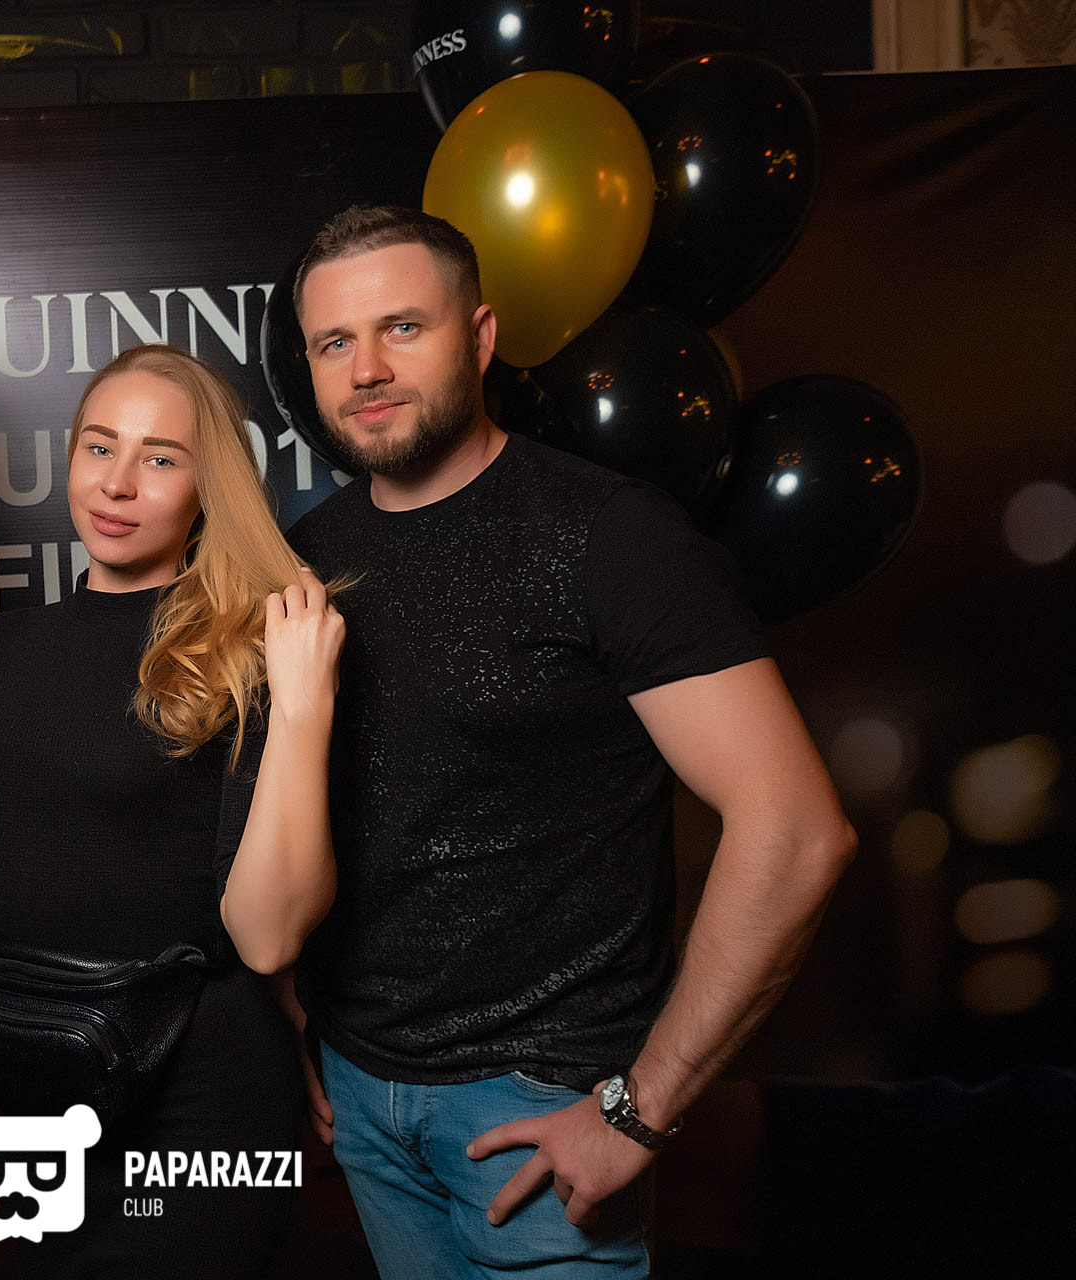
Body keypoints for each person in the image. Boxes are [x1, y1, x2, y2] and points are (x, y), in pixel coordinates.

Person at [280, 204, 857, 1278]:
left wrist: (640, 1110)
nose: (367, 369)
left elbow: (795, 832)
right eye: (333, 342)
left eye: (402, 327)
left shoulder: (609, 534)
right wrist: (298, 1031)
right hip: (360, 1100)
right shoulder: (306, 556)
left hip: (539, 1116)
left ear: (481, 337)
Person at [0, 344, 341, 1276]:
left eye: (160, 458)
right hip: (33, 1071)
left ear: (209, 488)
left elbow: (269, 938)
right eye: (100, 447)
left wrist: (302, 706)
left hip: (198, 1088)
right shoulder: (3, 645)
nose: (118, 483)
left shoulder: (249, 648)